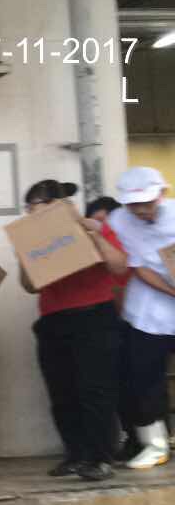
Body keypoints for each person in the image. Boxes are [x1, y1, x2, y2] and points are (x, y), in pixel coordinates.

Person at [18, 180, 130, 481]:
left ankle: (100, 458)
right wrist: (25, 256)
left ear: (55, 205)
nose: (30, 213)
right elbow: (29, 286)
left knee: (95, 391)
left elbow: (120, 267)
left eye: (34, 206)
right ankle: (76, 454)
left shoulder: (92, 227)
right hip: (53, 321)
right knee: (62, 393)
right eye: (28, 208)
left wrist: (93, 233)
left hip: (94, 318)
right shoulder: (32, 237)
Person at [108, 167, 175, 469]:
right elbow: (139, 268)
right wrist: (172, 292)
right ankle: (155, 445)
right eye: (134, 205)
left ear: (161, 194)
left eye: (147, 203)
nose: (141, 211)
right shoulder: (119, 222)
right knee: (145, 379)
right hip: (147, 310)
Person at [86, 196, 138, 462]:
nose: (102, 226)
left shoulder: (132, 245)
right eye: (96, 222)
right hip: (108, 326)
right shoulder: (90, 252)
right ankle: (129, 439)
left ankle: (154, 438)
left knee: (143, 384)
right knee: (115, 387)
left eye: (106, 221)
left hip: (140, 325)